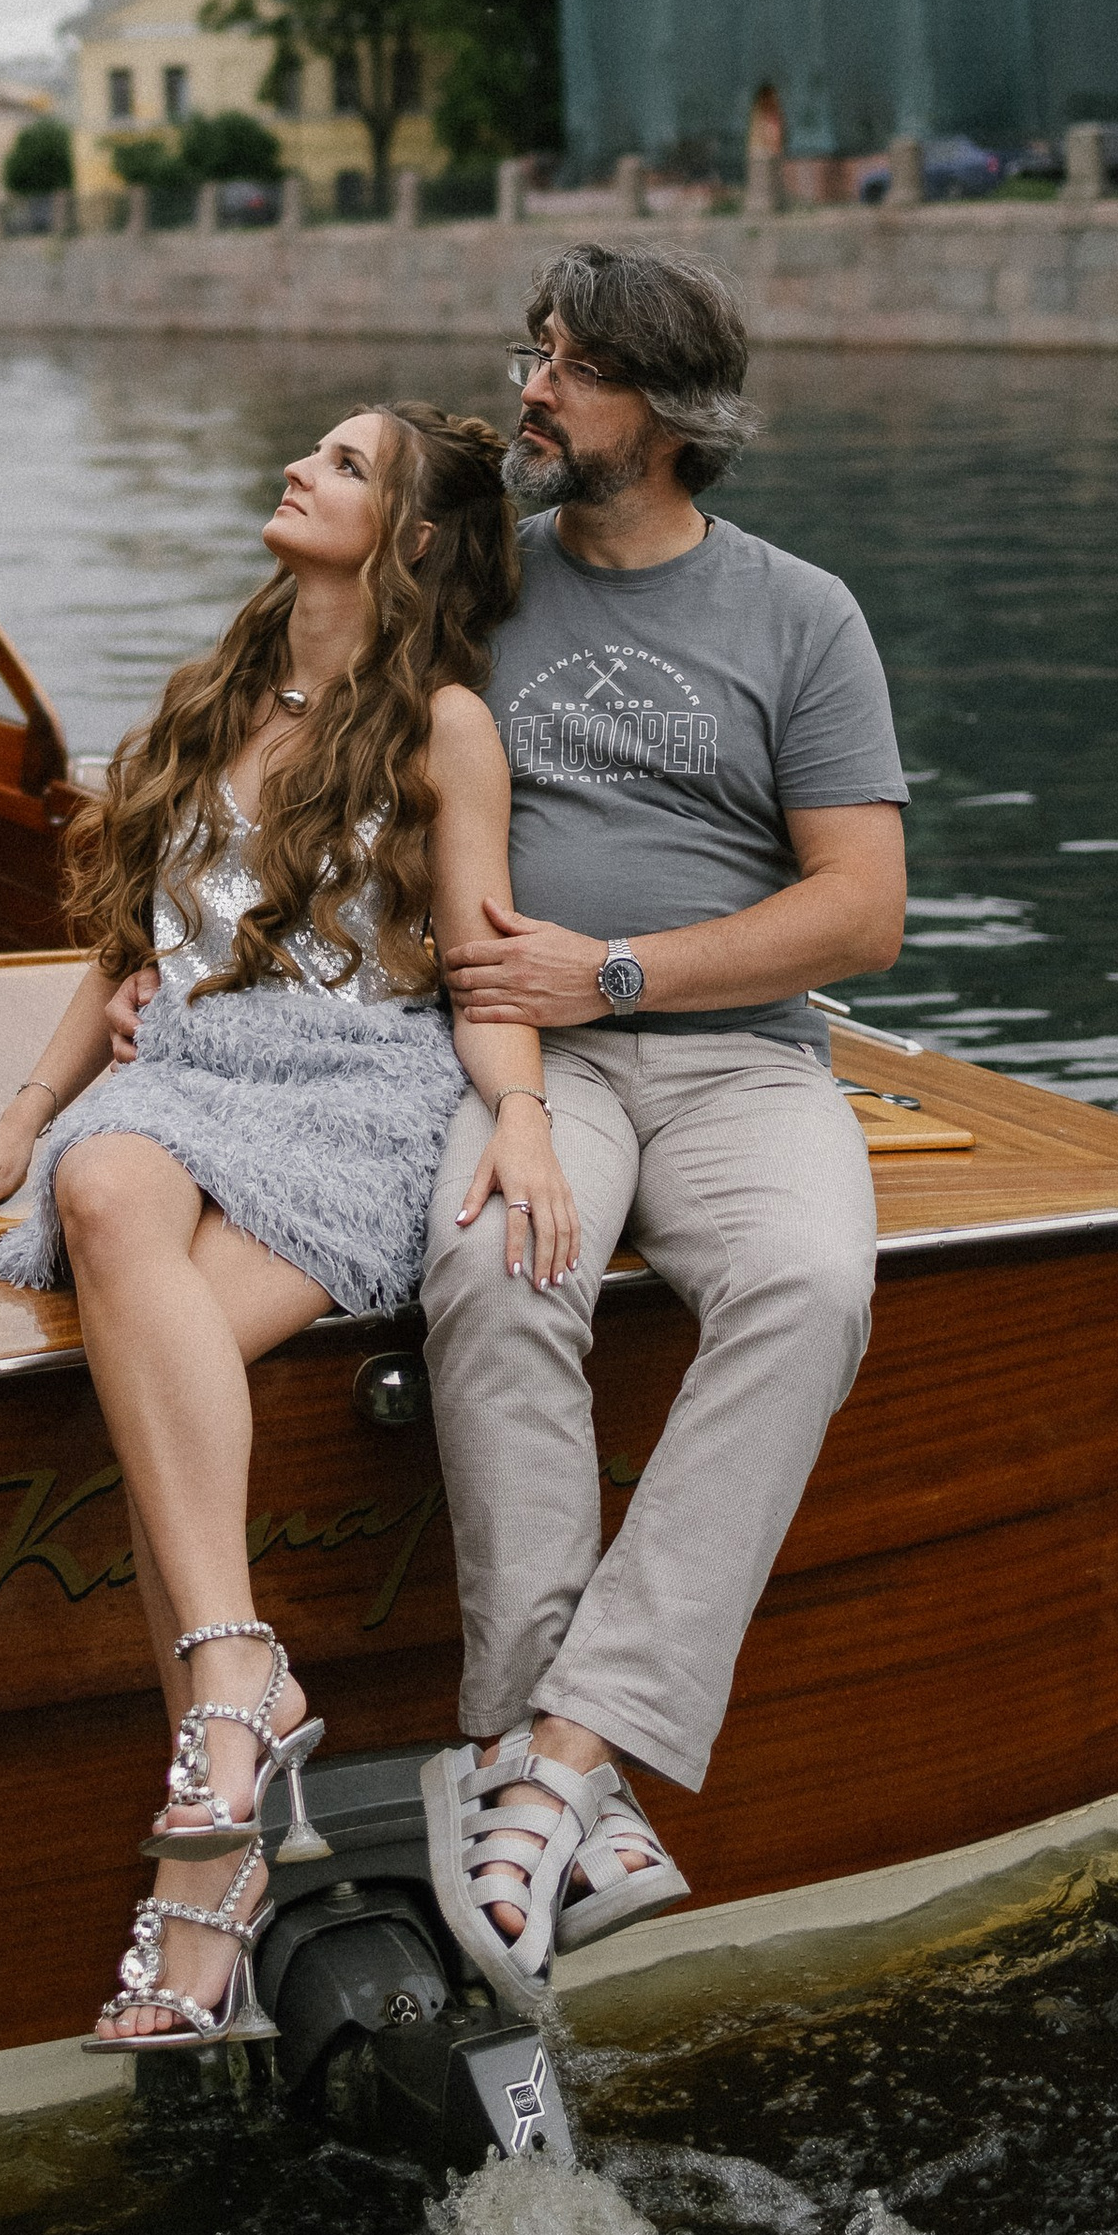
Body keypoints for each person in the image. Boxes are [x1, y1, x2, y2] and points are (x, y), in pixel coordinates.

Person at [0, 401, 570, 2051]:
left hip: (351, 1095)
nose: (299, 472)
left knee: (144, 1363)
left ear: (405, 538)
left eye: (341, 464)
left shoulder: (445, 727)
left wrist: (525, 1115)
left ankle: (210, 1857)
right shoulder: (219, 689)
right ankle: (237, 1703)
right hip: (180, 1079)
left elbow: (480, 965)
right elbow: (119, 949)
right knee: (108, 1190)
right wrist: (22, 1120)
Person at [415, 242, 909, 2017]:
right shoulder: (478, 588)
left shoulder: (801, 615)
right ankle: (551, 1778)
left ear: (673, 412)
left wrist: (615, 970)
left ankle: (552, 1755)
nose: (531, 391)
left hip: (733, 1059)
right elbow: (329, 755)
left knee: (808, 1285)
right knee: (488, 1269)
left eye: (570, 366)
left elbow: (861, 915)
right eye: (534, 353)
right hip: (516, 1064)